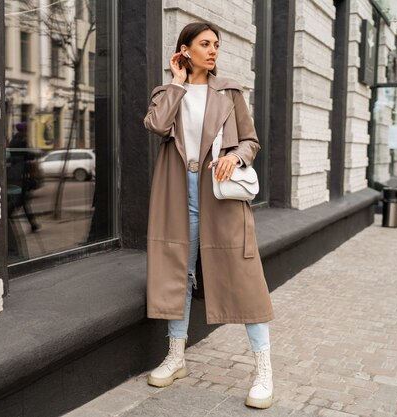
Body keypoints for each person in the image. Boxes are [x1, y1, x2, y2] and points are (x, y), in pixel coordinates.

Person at [143, 22, 275, 409]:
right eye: (205, 44)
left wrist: (235, 155)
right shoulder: (168, 92)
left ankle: (263, 370)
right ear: (185, 50)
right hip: (177, 193)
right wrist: (177, 83)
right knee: (178, 272)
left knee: (246, 277)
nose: (213, 50)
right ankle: (177, 356)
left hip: (220, 196)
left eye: (216, 44)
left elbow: (251, 140)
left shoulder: (230, 92)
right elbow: (156, 125)